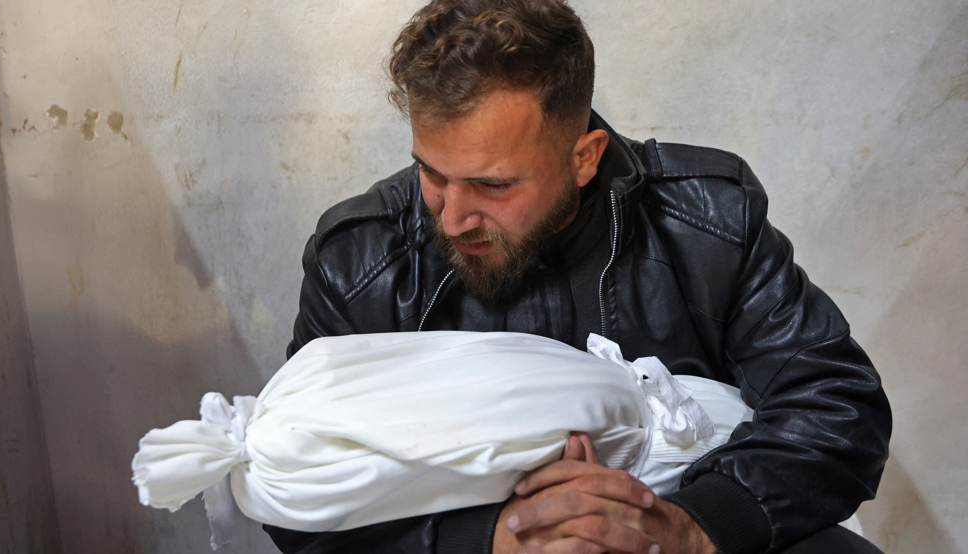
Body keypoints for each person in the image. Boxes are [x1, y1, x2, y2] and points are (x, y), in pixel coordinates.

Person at [266, 0, 892, 552]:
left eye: (491, 184)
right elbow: (292, 484)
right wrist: (483, 541)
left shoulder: (708, 223)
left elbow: (837, 403)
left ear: (584, 158)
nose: (452, 218)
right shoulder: (359, 264)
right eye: (431, 172)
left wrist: (694, 527)